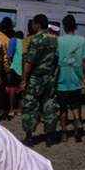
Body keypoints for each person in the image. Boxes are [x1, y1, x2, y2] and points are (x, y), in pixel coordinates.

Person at [20, 13, 60, 146]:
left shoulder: (36, 40)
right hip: (49, 78)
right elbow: (55, 60)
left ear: (37, 24)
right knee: (49, 106)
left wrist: (24, 79)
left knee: (30, 106)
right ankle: (50, 137)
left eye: (33, 23)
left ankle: (29, 136)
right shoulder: (54, 39)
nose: (32, 25)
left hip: (35, 78)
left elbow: (29, 62)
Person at [56, 13, 85, 143]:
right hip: (76, 79)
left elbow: (56, 60)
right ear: (75, 27)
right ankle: (78, 125)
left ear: (64, 27)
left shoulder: (58, 41)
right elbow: (84, 61)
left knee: (63, 108)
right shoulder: (82, 40)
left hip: (61, 79)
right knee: (76, 106)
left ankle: (64, 133)